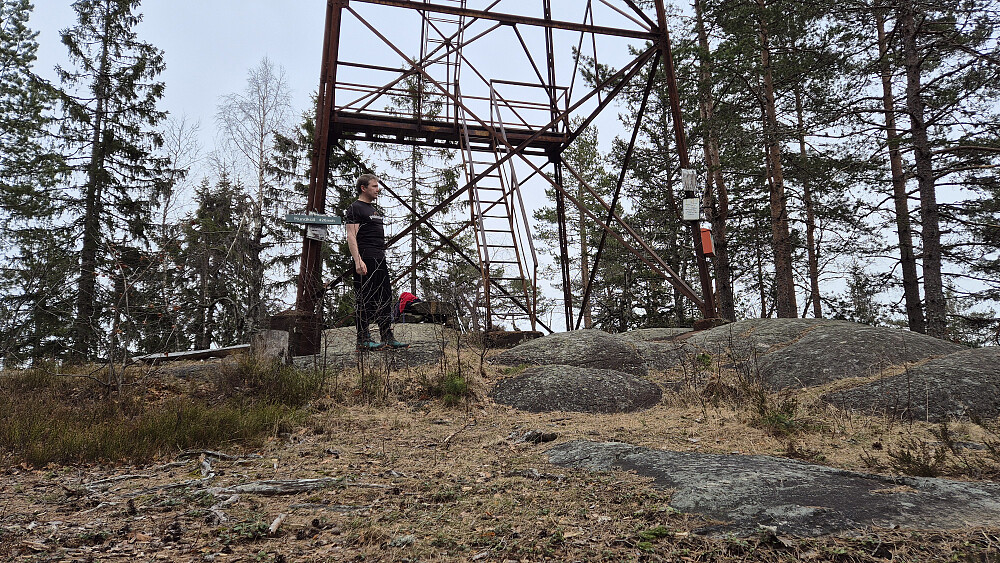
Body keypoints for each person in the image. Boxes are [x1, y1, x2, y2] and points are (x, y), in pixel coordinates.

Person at [345, 174, 408, 351]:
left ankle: (387, 336)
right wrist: (358, 261)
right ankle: (363, 339)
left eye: (377, 186)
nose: (377, 189)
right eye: (374, 186)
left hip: (380, 258)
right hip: (365, 259)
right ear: (363, 188)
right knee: (364, 300)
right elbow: (351, 235)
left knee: (385, 298)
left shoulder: (373, 210)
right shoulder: (355, 208)